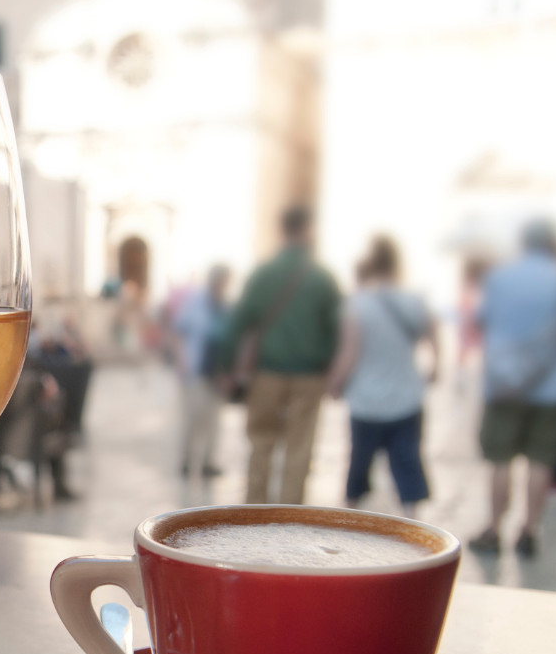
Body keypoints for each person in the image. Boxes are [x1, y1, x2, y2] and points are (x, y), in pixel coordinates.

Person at [468, 220, 556, 557]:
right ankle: (528, 531)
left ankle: (494, 529)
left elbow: (481, 319)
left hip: (503, 383)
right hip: (549, 385)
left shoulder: (500, 277)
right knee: (540, 460)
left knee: (500, 459)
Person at [227, 206, 340, 504]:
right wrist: (332, 368)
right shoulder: (322, 278)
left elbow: (239, 323)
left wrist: (226, 366)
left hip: (267, 373)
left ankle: (255, 511)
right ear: (307, 229)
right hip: (309, 375)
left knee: (261, 443)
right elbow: (335, 329)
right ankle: (289, 513)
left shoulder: (263, 274)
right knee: (299, 449)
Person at [327, 236, 439, 518]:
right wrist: (435, 367)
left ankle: (349, 516)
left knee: (359, 462)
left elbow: (349, 353)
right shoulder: (414, 300)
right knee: (407, 460)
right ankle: (413, 520)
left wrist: (335, 384)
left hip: (366, 400)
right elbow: (434, 337)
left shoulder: (356, 304)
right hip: (406, 397)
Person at [172, 265, 231, 477]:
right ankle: (187, 460)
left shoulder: (226, 306)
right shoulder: (195, 302)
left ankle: (208, 461)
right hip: (194, 369)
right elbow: (178, 332)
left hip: (217, 371)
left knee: (214, 418)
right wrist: (182, 361)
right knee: (193, 417)